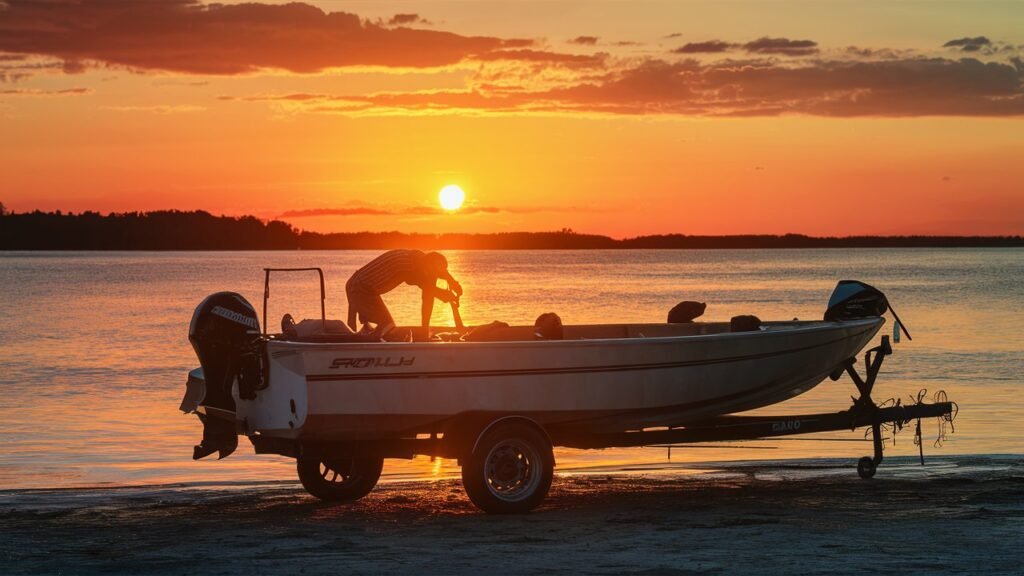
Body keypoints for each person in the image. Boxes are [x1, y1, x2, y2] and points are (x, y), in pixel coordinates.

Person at [346, 249, 462, 340]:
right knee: (387, 326)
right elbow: (428, 295)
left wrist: (452, 282)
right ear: (427, 268)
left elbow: (438, 273)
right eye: (433, 274)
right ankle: (368, 345)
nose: (434, 276)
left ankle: (365, 335)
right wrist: (444, 294)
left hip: (365, 288)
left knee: (387, 326)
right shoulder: (410, 268)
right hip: (359, 288)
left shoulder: (422, 259)